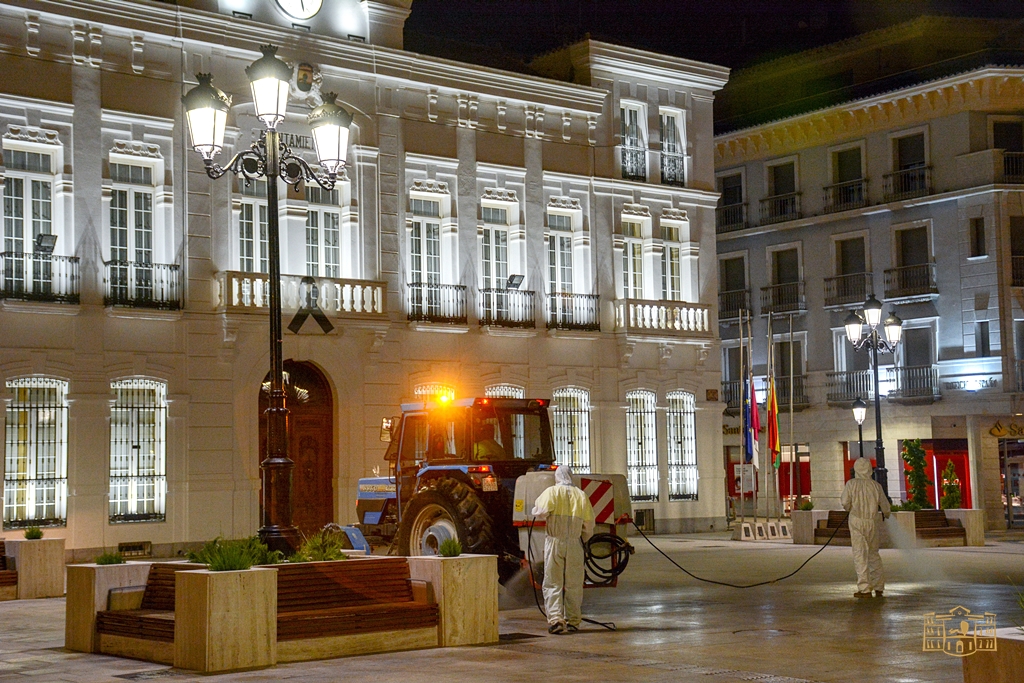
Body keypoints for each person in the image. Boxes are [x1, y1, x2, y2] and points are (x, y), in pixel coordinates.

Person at [531, 465, 595, 634]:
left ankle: (556, 620)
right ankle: (573, 621)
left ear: (557, 477)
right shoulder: (581, 495)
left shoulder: (551, 492)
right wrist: (581, 539)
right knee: (574, 584)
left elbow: (540, 511)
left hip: (555, 542)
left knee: (553, 583)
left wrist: (538, 511)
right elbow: (589, 525)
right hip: (574, 544)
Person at [840, 457, 891, 598]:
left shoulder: (851, 484)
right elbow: (885, 505)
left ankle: (865, 589)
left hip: (856, 521)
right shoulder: (876, 486)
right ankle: (879, 587)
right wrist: (887, 514)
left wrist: (849, 508)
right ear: (870, 470)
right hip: (872, 522)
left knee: (860, 554)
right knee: (873, 554)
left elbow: (845, 502)